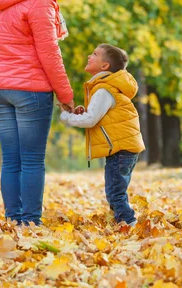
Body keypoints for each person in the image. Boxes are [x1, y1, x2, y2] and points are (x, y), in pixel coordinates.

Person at [0, 0, 75, 226]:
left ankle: (13, 220)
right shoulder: (40, 1)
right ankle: (30, 223)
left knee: (11, 159)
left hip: (0, 88)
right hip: (31, 91)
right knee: (32, 159)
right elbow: (49, 54)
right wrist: (65, 94)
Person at [60, 44, 145, 227]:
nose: (89, 56)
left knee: (115, 192)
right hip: (123, 148)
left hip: (120, 149)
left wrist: (67, 117)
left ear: (104, 66)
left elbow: (91, 120)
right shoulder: (108, 87)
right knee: (116, 190)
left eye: (95, 54)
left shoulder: (104, 90)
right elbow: (99, 115)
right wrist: (83, 111)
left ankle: (129, 224)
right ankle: (119, 222)